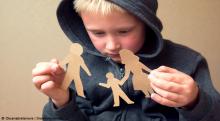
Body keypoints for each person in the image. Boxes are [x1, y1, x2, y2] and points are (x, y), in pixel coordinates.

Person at [31, 0, 220, 120]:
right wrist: (61, 100)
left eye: (124, 31)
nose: (112, 45)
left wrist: (194, 101)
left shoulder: (188, 62)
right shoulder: (79, 67)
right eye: (98, 33)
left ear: (146, 24)